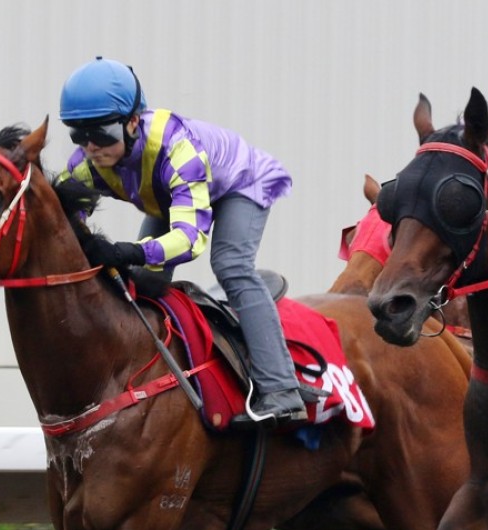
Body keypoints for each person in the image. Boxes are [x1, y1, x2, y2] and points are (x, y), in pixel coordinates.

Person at [58, 56, 322, 427]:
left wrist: (125, 251)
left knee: (230, 264)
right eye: (78, 135)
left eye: (102, 134)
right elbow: (64, 227)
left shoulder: (177, 150)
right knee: (145, 280)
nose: (91, 147)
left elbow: (189, 239)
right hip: (171, 194)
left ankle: (281, 391)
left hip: (241, 184)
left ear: (133, 122)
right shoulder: (85, 164)